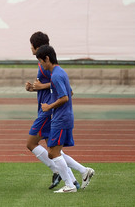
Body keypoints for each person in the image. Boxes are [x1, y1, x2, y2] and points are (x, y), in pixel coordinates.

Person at [36, 45, 95, 193]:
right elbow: (71, 91)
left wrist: (49, 107)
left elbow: (65, 97)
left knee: (53, 153)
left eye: (41, 61)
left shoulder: (56, 75)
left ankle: (70, 184)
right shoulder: (60, 72)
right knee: (54, 151)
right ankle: (83, 171)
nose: (41, 65)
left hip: (61, 119)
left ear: (47, 59)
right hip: (63, 117)